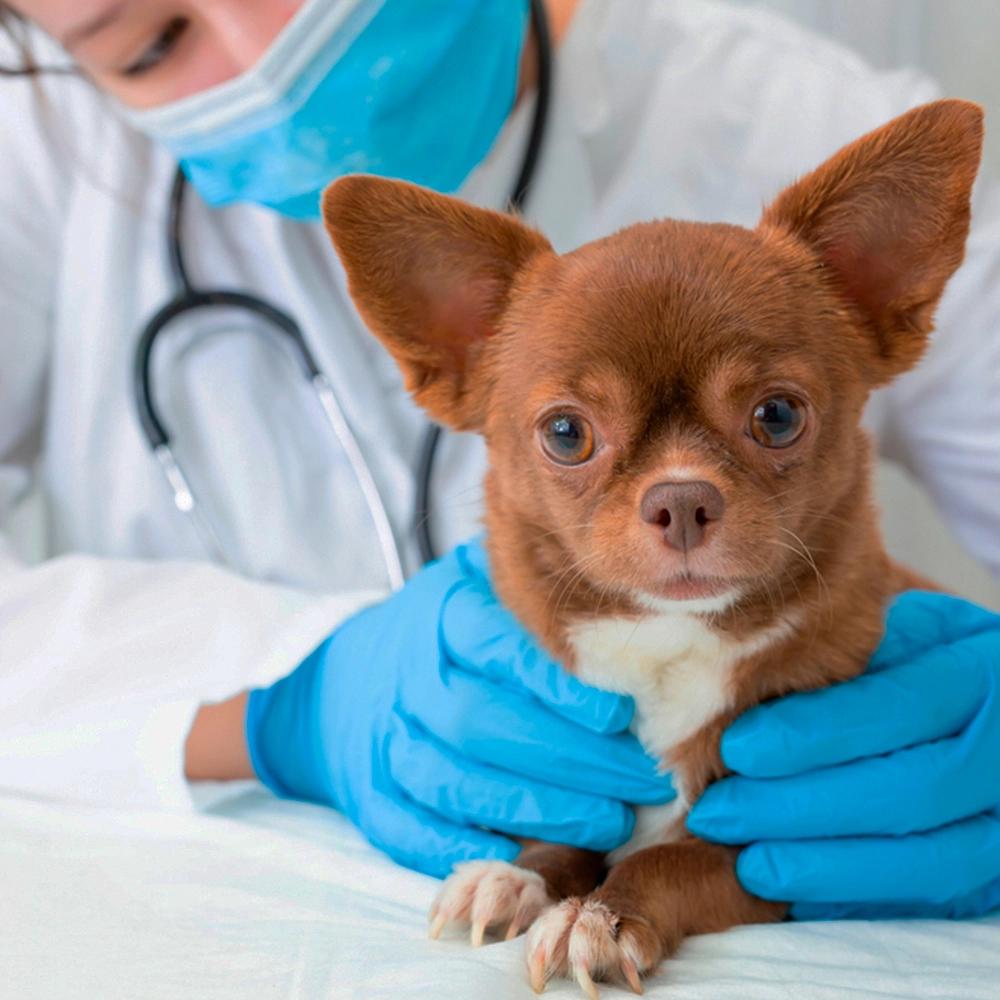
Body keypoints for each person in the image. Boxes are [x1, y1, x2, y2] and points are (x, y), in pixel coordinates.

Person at [0, 0, 997, 922]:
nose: (267, 60)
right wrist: (287, 707)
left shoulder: (787, 108)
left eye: (772, 416)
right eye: (148, 44)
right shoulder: (36, 163)